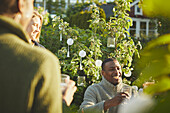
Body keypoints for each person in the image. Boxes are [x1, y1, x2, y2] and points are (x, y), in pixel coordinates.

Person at [0, 0, 76, 113]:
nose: (37, 29)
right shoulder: (41, 61)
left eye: (39, 27)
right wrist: (62, 102)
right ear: (21, 4)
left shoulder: (41, 53)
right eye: (32, 3)